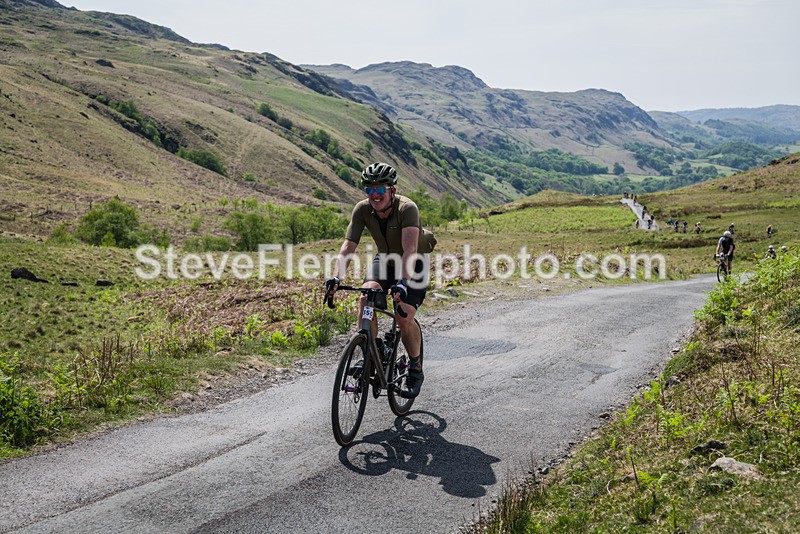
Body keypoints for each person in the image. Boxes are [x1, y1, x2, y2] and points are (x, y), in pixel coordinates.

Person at [325, 162, 436, 399]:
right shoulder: (362, 209)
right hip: (384, 260)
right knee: (366, 297)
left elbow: (409, 250)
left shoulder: (408, 209)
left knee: (403, 315)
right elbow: (348, 246)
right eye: (369, 189)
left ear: (391, 191)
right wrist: (336, 277)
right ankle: (371, 353)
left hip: (412, 263)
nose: (374, 195)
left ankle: (415, 368)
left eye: (380, 190)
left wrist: (403, 283)